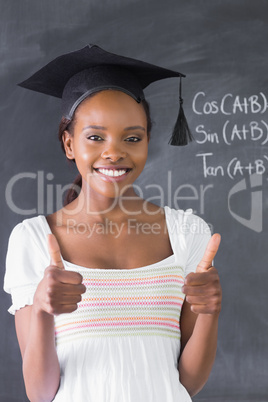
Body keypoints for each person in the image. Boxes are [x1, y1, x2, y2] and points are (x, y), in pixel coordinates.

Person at [4, 44, 222, 402]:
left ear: (148, 142)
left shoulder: (187, 234)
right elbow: (40, 394)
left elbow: (188, 383)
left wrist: (210, 311)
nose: (114, 152)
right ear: (69, 143)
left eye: (132, 138)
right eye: (95, 137)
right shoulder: (33, 240)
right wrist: (42, 309)